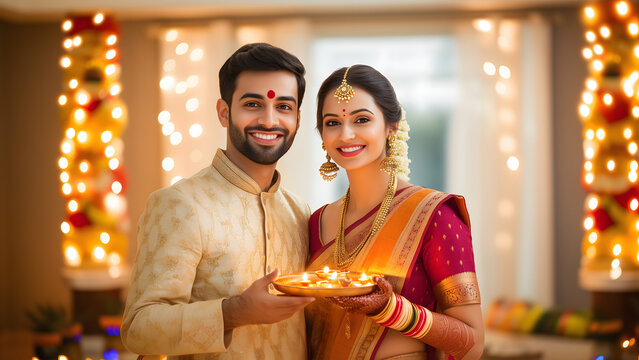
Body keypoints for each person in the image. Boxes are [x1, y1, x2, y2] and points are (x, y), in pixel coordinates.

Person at [121, 43, 315, 359]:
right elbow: (138, 329)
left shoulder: (299, 213)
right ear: (224, 113)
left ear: (296, 118)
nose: (269, 120)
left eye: (283, 106)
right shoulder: (181, 204)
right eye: (253, 104)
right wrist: (234, 312)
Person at [305, 65, 484, 360]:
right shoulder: (317, 222)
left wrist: (392, 310)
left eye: (361, 119)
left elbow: (472, 344)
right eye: (332, 122)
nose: (346, 134)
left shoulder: (434, 216)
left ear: (392, 126)